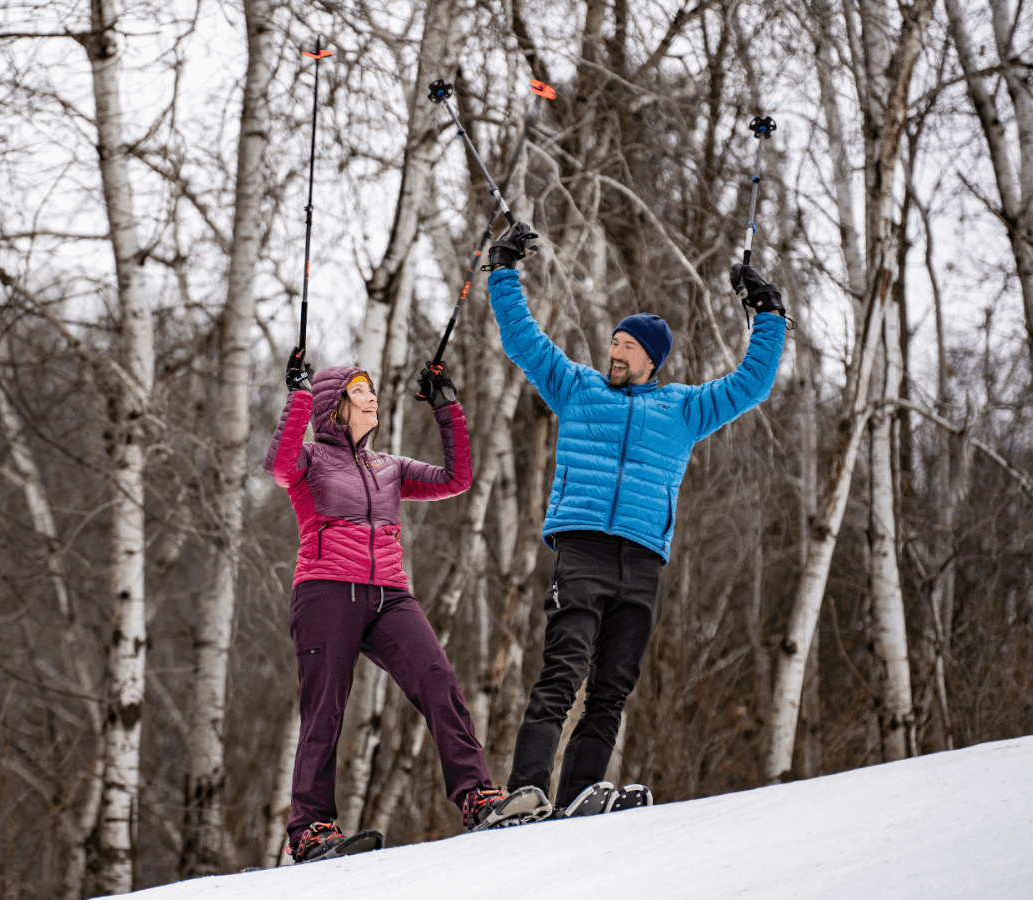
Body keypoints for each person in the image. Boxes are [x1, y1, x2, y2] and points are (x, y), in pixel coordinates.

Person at [482, 226, 788, 818]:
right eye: (614, 342)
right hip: (583, 552)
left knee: (611, 690)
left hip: (643, 564)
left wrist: (768, 312)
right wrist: (503, 269)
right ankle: (527, 790)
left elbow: (752, 383)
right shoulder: (577, 388)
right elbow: (522, 339)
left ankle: (579, 796)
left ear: (652, 359)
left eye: (627, 346)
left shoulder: (684, 409)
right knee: (561, 673)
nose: (615, 352)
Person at [263, 355, 544, 862]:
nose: (371, 396)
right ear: (334, 408)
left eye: (371, 389)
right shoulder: (309, 459)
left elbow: (456, 478)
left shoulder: (388, 467)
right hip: (326, 591)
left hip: (390, 595)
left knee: (438, 681)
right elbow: (278, 466)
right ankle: (309, 830)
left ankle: (477, 796)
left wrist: (446, 406)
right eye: (359, 391)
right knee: (325, 707)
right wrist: (299, 396)